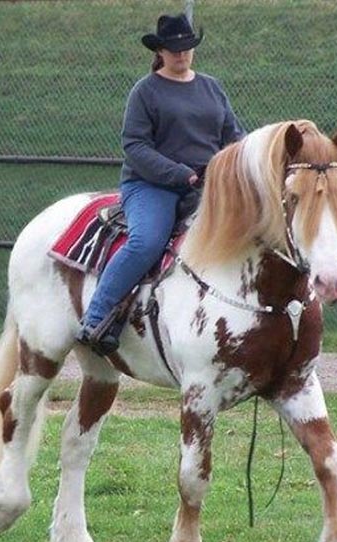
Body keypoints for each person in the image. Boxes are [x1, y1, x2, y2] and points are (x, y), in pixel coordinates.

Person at [78, 13, 244, 355]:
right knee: (146, 242)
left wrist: (241, 163)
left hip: (207, 187)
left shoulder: (211, 87)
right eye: (173, 49)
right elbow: (135, 147)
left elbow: (234, 136)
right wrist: (180, 174)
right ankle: (96, 318)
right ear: (161, 52)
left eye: (186, 48)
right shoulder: (146, 91)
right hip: (152, 185)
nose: (181, 54)